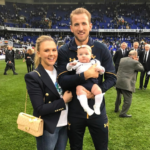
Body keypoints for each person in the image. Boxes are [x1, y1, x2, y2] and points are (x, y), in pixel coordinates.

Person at [57, 8, 116, 150]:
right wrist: (85, 75)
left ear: (90, 25)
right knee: (75, 147)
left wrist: (99, 90)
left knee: (102, 147)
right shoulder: (64, 51)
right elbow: (62, 80)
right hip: (74, 112)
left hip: (98, 111)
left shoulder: (101, 48)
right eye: (76, 24)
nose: (81, 28)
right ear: (71, 28)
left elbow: (112, 77)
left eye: (84, 23)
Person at [24, 35, 72, 150]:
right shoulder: (33, 76)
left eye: (54, 50)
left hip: (65, 123)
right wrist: (64, 101)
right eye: (46, 50)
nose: (51, 54)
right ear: (38, 53)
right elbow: (39, 108)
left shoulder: (62, 71)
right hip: (48, 126)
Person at [66, 45, 105, 116]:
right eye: (80, 54)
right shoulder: (77, 63)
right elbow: (69, 69)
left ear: (91, 55)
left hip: (92, 82)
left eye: (86, 54)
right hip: (81, 82)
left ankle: (97, 106)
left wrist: (100, 69)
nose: (83, 56)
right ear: (77, 56)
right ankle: (86, 108)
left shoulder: (94, 62)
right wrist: (70, 64)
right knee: (80, 92)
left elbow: (102, 71)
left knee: (98, 91)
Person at [115, 50, 144, 117]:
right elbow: (142, 69)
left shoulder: (122, 59)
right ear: (135, 56)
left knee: (118, 95)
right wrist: (137, 61)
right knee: (128, 98)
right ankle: (123, 113)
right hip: (126, 83)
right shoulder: (135, 62)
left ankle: (116, 109)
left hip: (118, 80)